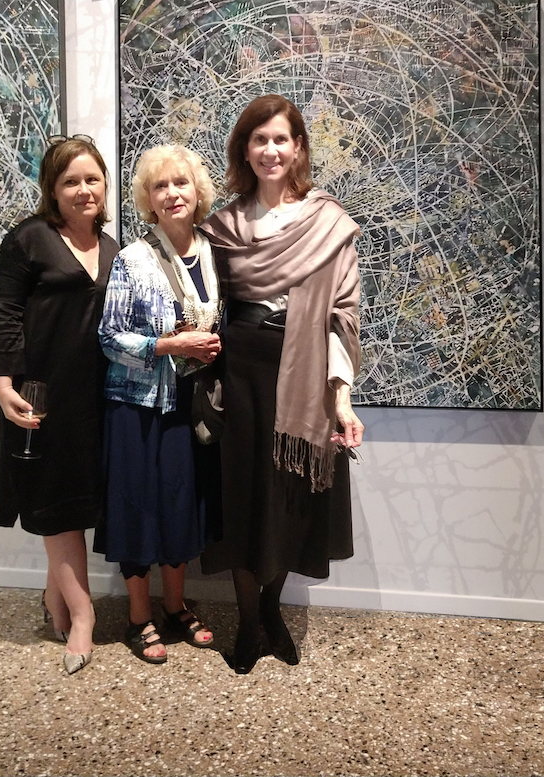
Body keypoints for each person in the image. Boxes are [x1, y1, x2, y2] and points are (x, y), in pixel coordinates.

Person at [199, 95, 365, 673]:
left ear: (298, 149)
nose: (270, 150)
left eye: (280, 140)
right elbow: (201, 304)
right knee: (245, 499)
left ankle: (272, 609)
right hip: (239, 374)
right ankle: (248, 621)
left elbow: (342, 314)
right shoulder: (220, 227)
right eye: (259, 140)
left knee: (290, 502)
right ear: (245, 149)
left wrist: (341, 398)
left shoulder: (328, 223)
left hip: (303, 379)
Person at [0, 134, 119, 675]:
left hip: (100, 396)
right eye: (71, 181)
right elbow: (6, 315)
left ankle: (54, 600)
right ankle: (83, 614)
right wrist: (3, 384)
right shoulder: (29, 239)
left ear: (105, 185)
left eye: (92, 178)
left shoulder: (115, 249)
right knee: (55, 503)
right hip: (42, 394)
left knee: (79, 502)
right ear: (53, 189)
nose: (83, 189)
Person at [94, 145, 222, 664]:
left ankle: (176, 605)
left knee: (179, 506)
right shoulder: (133, 258)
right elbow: (109, 336)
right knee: (137, 508)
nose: (172, 194)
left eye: (181, 184)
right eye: (160, 186)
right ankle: (140, 616)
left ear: (198, 193)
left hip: (192, 406)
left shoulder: (215, 253)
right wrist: (170, 346)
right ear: (148, 199)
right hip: (137, 405)